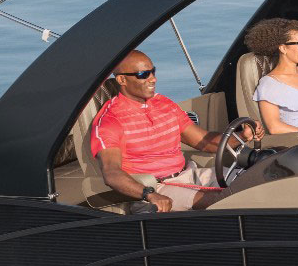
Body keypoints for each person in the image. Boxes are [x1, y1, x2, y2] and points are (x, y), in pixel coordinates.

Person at [91, 50, 255, 212]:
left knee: (256, 182)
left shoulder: (164, 104)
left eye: (153, 71)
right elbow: (111, 173)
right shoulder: (110, 120)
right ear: (122, 79)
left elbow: (204, 142)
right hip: (156, 188)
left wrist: (241, 136)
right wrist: (149, 194)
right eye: (143, 74)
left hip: (189, 175)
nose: (153, 79)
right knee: (226, 201)